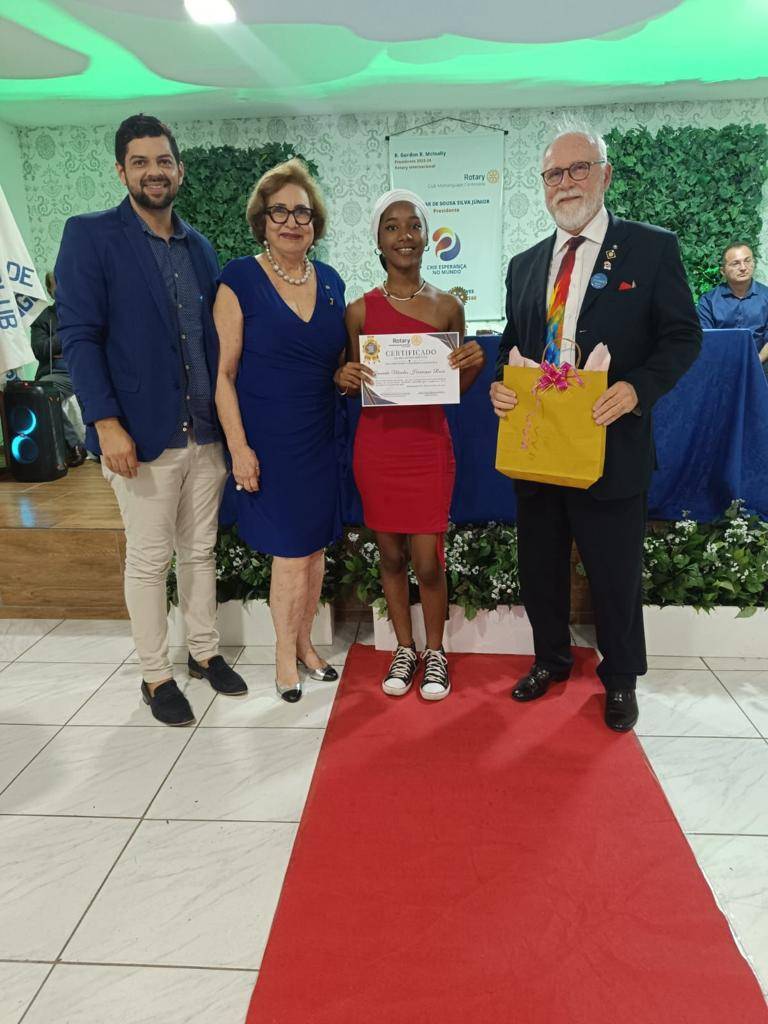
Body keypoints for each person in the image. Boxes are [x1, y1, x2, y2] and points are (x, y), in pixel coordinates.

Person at [490, 129, 701, 732]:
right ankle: (551, 660)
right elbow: (511, 343)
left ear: (605, 174)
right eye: (554, 174)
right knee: (540, 566)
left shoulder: (651, 249)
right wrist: (501, 384)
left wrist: (638, 389)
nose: (566, 183)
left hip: (612, 442)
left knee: (614, 572)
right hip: (538, 446)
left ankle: (621, 677)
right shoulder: (525, 265)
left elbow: (682, 336)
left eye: (578, 168)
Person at [55, 113, 247, 726]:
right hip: (139, 435)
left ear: (179, 170)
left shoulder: (201, 247)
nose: (153, 172)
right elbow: (78, 336)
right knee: (148, 559)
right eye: (139, 162)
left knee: (200, 552)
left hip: (204, 431)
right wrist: (105, 421)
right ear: (122, 171)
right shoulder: (91, 236)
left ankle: (204, 653)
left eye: (162, 161)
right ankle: (155, 674)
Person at [342, 189, 485, 701]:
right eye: (392, 227)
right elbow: (352, 380)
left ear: (427, 238)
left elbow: (452, 390)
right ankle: (405, 648)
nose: (404, 235)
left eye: (413, 226)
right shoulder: (359, 311)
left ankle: (436, 652)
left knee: (427, 561)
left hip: (427, 448)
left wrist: (473, 367)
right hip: (378, 449)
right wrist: (343, 376)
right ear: (378, 242)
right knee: (390, 556)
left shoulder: (449, 306)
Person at [214, 159, 346, 704]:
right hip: (270, 442)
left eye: (302, 212)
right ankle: (283, 656)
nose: (292, 222)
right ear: (262, 220)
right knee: (290, 553)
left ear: (315, 221)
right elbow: (223, 375)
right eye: (279, 212)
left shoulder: (331, 282)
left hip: (321, 436)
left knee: (314, 550)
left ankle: (307, 645)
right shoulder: (239, 279)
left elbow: (338, 363)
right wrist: (239, 448)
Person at [30, 271, 87, 467]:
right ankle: (75, 445)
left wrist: (60, 348)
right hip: (56, 375)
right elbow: (40, 350)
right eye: (56, 285)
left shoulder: (85, 311)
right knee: (41, 392)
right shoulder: (42, 318)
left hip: (83, 370)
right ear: (49, 291)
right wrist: (67, 334)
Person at [697, 243, 768, 379]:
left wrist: (756, 362)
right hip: (719, 366)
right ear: (723, 271)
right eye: (735, 263)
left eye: (747, 261)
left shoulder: (766, 296)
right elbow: (706, 338)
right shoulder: (708, 300)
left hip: (761, 365)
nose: (743, 268)